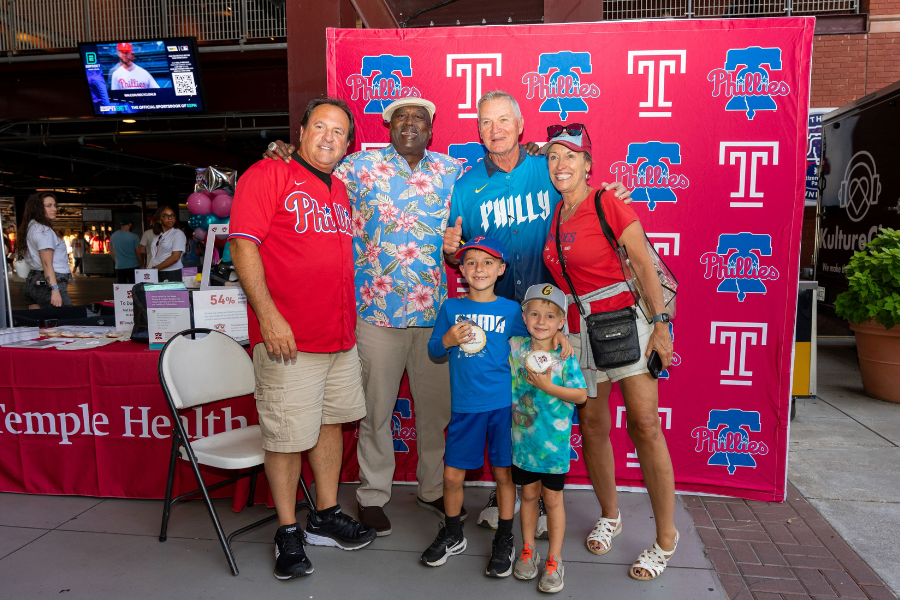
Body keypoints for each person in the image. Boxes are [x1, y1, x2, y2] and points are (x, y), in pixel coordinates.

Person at [262, 97, 466, 536]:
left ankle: (432, 489)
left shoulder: (452, 171)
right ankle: (373, 495)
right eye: (401, 118)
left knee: (436, 413)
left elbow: (488, 190)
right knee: (375, 414)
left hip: (435, 314)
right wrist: (281, 152)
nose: (410, 124)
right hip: (375, 313)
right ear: (388, 125)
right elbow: (306, 169)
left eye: (420, 119)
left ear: (432, 129)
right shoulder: (356, 167)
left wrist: (534, 154)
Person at [440, 89, 631, 532]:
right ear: (479, 131)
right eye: (486, 122)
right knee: (515, 402)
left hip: (557, 310)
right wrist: (452, 253)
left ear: (520, 125)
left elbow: (583, 194)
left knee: (558, 402)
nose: (496, 130)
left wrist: (611, 193)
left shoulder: (547, 169)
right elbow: (461, 250)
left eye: (503, 120)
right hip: (505, 317)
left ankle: (555, 498)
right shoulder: (467, 185)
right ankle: (520, 491)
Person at [228, 97, 375, 582]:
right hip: (288, 340)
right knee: (288, 438)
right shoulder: (268, 174)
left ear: (349, 145)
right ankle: (288, 531)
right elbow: (244, 244)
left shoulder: (337, 190)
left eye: (339, 132)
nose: (328, 137)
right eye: (320, 127)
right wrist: (268, 316)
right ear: (303, 130)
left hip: (337, 337)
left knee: (331, 424)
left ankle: (326, 516)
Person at [540, 124, 678, 581]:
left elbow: (642, 262)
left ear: (588, 163)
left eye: (570, 156)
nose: (561, 164)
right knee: (593, 426)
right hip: (581, 333)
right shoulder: (556, 216)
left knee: (644, 424)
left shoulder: (608, 201)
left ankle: (665, 538)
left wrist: (661, 326)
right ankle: (611, 515)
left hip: (627, 323)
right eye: (553, 157)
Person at [423, 237, 571, 577]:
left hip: (504, 408)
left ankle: (505, 538)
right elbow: (434, 350)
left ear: (501, 270)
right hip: (465, 408)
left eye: (487, 263)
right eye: (471, 262)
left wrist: (559, 337)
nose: (479, 269)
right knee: (450, 475)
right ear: (460, 269)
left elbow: (539, 333)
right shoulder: (450, 308)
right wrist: (447, 340)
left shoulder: (510, 310)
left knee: (504, 475)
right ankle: (453, 533)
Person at [509, 284, 587, 593]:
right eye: (535, 314)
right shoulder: (515, 347)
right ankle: (528, 549)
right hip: (523, 445)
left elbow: (580, 394)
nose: (541, 321)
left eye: (551, 316)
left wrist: (548, 387)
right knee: (527, 496)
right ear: (524, 316)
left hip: (553, 447)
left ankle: (555, 559)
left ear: (560, 323)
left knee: (552, 500)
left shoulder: (564, 354)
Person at [15, 192, 73, 309]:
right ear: (38, 208)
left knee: (38, 324)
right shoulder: (44, 231)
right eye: (49, 206)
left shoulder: (31, 227)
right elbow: (46, 264)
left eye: (55, 205)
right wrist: (55, 290)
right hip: (48, 284)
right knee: (66, 322)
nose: (54, 209)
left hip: (32, 282)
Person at [147, 206, 186, 282]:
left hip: (171, 273)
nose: (170, 217)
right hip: (158, 272)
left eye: (172, 215)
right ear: (159, 219)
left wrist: (155, 269)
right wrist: (150, 269)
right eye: (166, 215)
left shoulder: (178, 233)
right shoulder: (159, 236)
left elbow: (175, 257)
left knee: (169, 294)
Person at [109, 217, 141, 283]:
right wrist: (142, 263)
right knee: (134, 286)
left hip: (119, 266)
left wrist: (117, 261)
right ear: (129, 224)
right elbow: (138, 251)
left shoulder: (113, 236)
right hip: (133, 265)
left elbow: (111, 252)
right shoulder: (134, 236)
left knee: (121, 287)